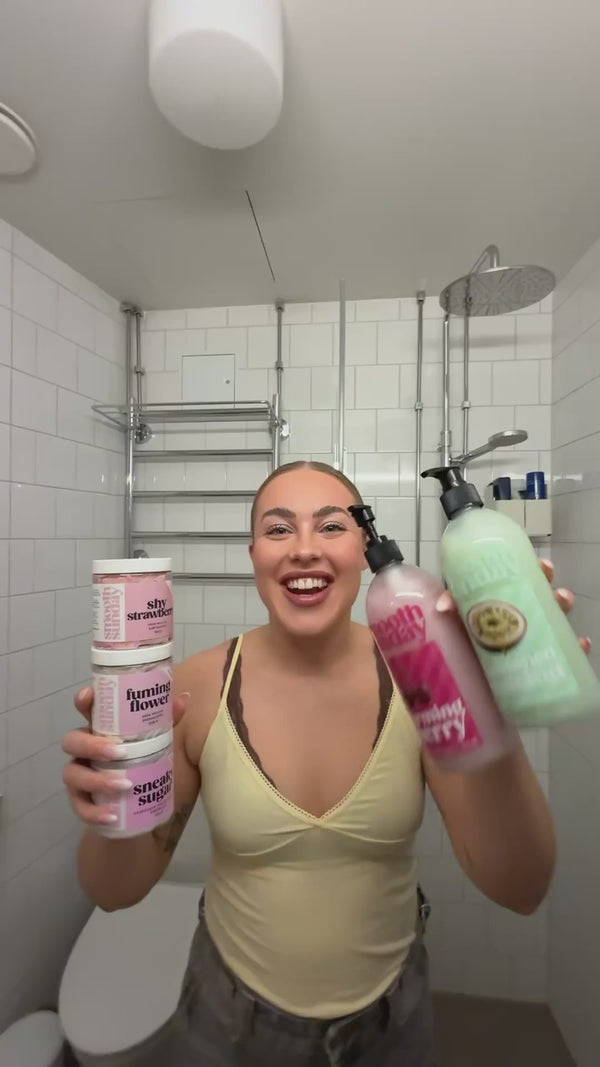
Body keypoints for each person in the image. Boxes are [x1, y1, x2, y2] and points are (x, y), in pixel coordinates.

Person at [63, 461, 589, 1067]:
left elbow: (521, 888)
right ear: (254, 555)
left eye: (332, 526)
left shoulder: (423, 677)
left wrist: (491, 707)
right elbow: (114, 890)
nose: (305, 549)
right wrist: (110, 798)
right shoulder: (193, 690)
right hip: (225, 1018)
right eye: (279, 529)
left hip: (392, 1024)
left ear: (364, 549)